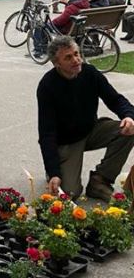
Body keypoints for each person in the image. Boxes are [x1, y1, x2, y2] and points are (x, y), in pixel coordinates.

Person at [37, 35, 134, 200]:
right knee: (70, 193)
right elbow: (47, 133)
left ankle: (100, 181)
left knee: (130, 129)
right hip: (66, 141)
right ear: (56, 63)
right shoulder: (47, 86)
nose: (76, 60)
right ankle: (57, 170)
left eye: (76, 54)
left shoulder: (90, 73)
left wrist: (129, 116)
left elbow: (115, 99)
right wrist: (54, 171)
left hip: (91, 130)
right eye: (68, 57)